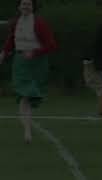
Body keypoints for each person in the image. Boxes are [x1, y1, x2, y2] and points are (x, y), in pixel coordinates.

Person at [0, 0, 57, 143]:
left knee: (30, 96)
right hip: (20, 62)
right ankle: (27, 132)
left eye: (28, 4)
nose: (25, 7)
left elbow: (51, 45)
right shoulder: (15, 22)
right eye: (23, 4)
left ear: (32, 7)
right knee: (24, 95)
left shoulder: (40, 23)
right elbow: (12, 40)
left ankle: (27, 130)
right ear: (19, 7)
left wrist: (35, 53)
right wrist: (3, 53)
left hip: (37, 63)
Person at [83, 20, 102, 116]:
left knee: (99, 85)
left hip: (95, 62)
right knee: (99, 85)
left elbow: (98, 48)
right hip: (96, 61)